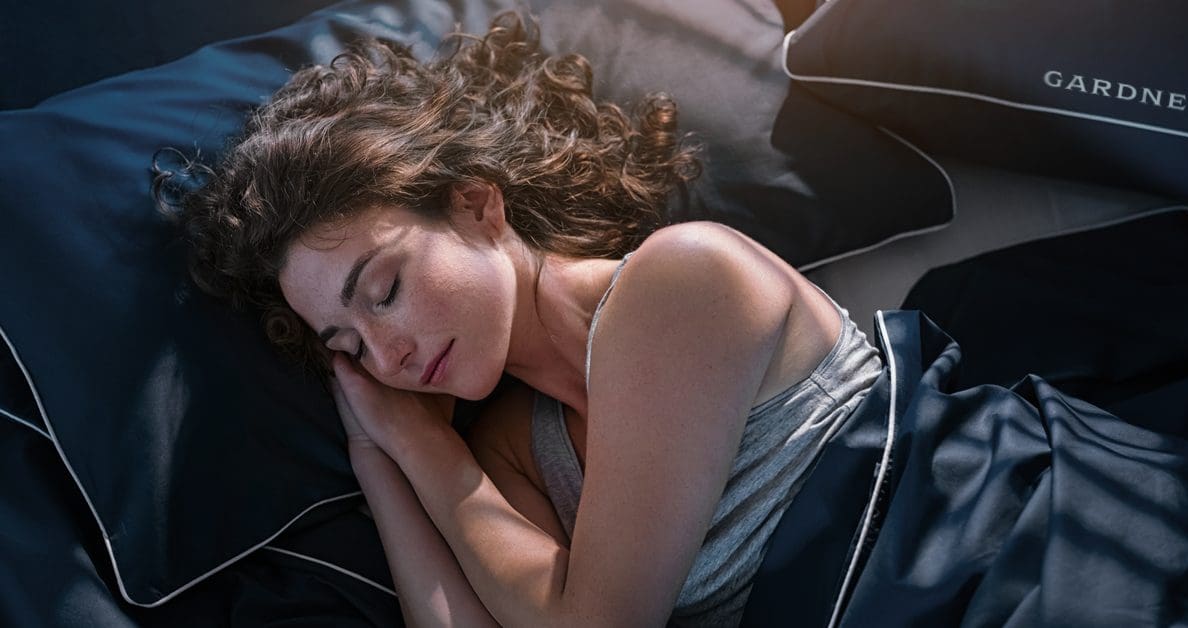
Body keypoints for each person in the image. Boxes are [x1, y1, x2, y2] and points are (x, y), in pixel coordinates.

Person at [164, 12, 883, 627]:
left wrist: (429, 454)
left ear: (477, 206)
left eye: (383, 291)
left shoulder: (683, 279)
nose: (387, 358)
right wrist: (380, 457)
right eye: (346, 345)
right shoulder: (518, 452)